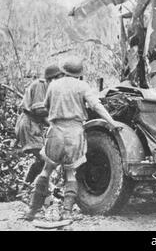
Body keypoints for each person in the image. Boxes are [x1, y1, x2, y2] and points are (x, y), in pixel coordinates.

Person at [24, 56, 121, 221]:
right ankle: (67, 212)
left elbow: (46, 107)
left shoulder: (53, 85)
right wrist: (111, 122)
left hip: (56, 131)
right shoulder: (82, 86)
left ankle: (32, 211)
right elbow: (96, 106)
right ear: (79, 73)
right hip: (75, 132)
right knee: (70, 173)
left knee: (46, 170)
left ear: (63, 70)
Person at [15, 64, 63, 184]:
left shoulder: (49, 88)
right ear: (52, 78)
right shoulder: (40, 85)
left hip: (35, 125)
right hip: (29, 124)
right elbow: (38, 110)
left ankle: (26, 187)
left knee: (42, 160)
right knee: (46, 158)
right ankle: (35, 188)